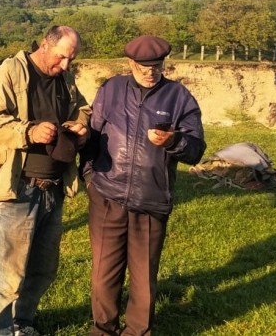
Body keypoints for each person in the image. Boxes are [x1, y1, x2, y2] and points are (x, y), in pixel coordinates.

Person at [82, 35, 206, 335]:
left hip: (151, 200)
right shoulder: (110, 89)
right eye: (143, 66)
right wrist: (89, 177)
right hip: (107, 196)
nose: (150, 72)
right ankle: (103, 329)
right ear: (130, 64)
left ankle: (137, 331)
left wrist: (175, 141)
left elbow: (196, 149)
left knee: (143, 277)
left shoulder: (179, 98)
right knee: (103, 275)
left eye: (157, 66)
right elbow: (92, 136)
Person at [0, 26, 91, 336]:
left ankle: (21, 323)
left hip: (53, 188)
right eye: (62, 57)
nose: (66, 65)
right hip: (18, 188)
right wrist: (28, 132)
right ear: (44, 45)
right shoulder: (9, 73)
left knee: (42, 269)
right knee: (7, 274)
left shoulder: (64, 77)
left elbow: (82, 107)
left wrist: (80, 125)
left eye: (72, 58)